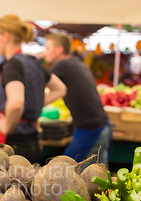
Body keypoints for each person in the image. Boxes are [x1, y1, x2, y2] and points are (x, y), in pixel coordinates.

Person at [0, 15, 67, 163]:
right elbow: (60, 89)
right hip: (32, 142)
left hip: (14, 146)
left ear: (5, 36)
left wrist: (7, 127)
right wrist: (35, 103)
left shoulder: (13, 64)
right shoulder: (33, 62)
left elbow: (16, 102)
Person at [44, 33, 111, 165]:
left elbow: (38, 84)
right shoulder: (76, 62)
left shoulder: (61, 65)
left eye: (47, 48)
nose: (44, 53)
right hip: (102, 126)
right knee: (97, 178)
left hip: (90, 129)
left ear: (59, 50)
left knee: (62, 170)